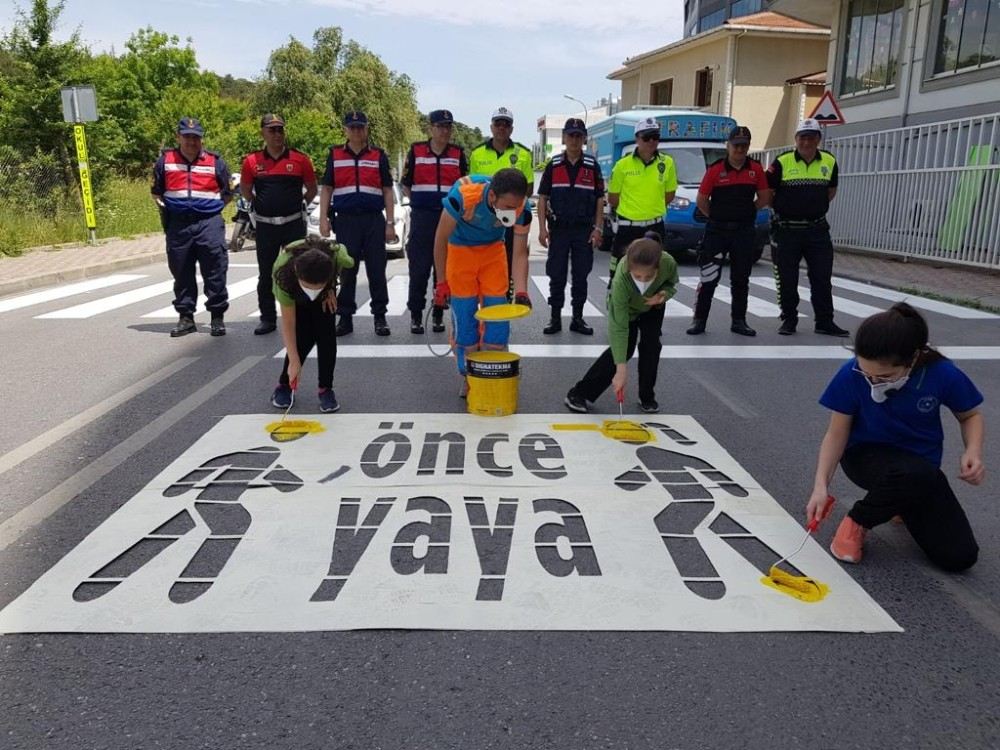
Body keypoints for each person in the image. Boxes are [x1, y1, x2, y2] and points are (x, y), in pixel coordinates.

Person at [807, 302, 984, 570]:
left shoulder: (941, 373)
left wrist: (972, 450)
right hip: (865, 457)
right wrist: (821, 486)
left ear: (912, 359)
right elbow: (836, 434)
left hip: (920, 468)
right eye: (867, 374)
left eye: (885, 376)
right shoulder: (850, 374)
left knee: (959, 557)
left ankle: (897, 502)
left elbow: (969, 415)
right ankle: (856, 522)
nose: (874, 381)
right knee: (914, 473)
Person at [432, 169, 532, 392]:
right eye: (507, 207)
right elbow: (440, 239)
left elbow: (519, 253)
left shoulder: (522, 209)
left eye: (515, 207)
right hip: (460, 251)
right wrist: (441, 282)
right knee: (465, 317)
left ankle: (494, 374)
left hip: (493, 253)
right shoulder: (463, 197)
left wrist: (522, 293)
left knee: (498, 316)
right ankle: (468, 378)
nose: (512, 212)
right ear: (492, 196)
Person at [565, 233, 678, 414]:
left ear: (658, 267)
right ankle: (579, 393)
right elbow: (619, 329)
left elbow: (672, 283)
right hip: (627, 308)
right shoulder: (621, 280)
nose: (642, 281)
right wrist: (621, 370)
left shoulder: (668, 263)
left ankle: (647, 396)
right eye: (637, 276)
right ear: (630, 269)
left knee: (652, 346)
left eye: (648, 276)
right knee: (623, 350)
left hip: (654, 305)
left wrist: (663, 295)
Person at [767, 118, 848, 337]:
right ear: (796, 139)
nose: (806, 142)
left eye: (811, 137)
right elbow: (768, 193)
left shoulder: (829, 161)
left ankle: (824, 321)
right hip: (787, 230)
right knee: (787, 277)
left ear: (818, 139)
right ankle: (789, 319)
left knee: (822, 277)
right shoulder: (782, 162)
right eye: (803, 137)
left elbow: (831, 191)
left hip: (817, 230)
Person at [687, 126, 771, 337]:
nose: (739, 149)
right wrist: (717, 216)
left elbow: (764, 197)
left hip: (743, 232)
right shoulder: (715, 169)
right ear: (728, 145)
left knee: (741, 278)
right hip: (717, 232)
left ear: (748, 146)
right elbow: (702, 200)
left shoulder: (756, 169)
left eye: (744, 145)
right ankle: (699, 320)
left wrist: (747, 211)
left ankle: (739, 321)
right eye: (736, 145)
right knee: (709, 277)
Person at [318, 111, 397, 337]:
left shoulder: (378, 155)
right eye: (352, 128)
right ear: (345, 130)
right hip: (346, 221)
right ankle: (345, 318)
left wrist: (390, 223)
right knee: (347, 270)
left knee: (376, 270)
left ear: (366, 128)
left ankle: (380, 317)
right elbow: (327, 189)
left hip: (373, 220)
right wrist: (323, 218)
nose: (356, 131)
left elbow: (387, 190)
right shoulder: (335, 155)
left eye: (360, 127)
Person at [151, 117, 232, 337]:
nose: (191, 141)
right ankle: (186, 318)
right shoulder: (165, 162)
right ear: (178, 137)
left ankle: (217, 317)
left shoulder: (216, 162)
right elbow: (156, 191)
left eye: (195, 137)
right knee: (181, 270)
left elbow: (227, 192)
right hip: (178, 224)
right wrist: (168, 210)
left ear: (201, 139)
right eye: (187, 136)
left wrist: (211, 210)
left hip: (209, 223)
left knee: (215, 269)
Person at [240, 113, 318, 336]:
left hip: (293, 224)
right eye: (272, 130)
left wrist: (298, 204)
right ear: (262, 133)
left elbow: (311, 189)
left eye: (280, 129)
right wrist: (260, 205)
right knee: (266, 273)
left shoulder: (300, 159)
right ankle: (267, 318)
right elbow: (245, 190)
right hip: (266, 226)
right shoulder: (252, 161)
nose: (277, 134)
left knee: (298, 271)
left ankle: (301, 315)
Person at [400, 109, 468, 334]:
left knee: (445, 270)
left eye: (448, 126)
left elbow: (465, 185)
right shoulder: (417, 150)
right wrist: (420, 202)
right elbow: (406, 183)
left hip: (449, 218)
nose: (445, 131)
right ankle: (416, 316)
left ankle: (438, 314)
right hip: (423, 218)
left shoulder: (458, 153)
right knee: (419, 269)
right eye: (440, 126)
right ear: (431, 128)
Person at [269, 237, 355, 414]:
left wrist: (330, 287)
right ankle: (284, 385)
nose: (312, 293)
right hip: (295, 296)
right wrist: (294, 361)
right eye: (309, 288)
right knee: (302, 337)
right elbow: (288, 322)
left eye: (317, 288)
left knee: (327, 339)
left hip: (326, 294)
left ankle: (326, 388)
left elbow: (345, 267)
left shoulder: (337, 255)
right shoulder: (282, 273)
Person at [536, 117, 605, 336]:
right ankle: (555, 318)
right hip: (559, 229)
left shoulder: (592, 166)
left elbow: (599, 200)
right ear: (564, 138)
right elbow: (543, 198)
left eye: (578, 135)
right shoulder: (554, 165)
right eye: (571, 135)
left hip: (583, 230)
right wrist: (542, 229)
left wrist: (598, 229)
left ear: (584, 139)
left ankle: (577, 318)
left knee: (581, 275)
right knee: (556, 274)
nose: (574, 139)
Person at [468, 107, 535, 297]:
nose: (502, 128)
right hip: (485, 216)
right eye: (498, 124)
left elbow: (528, 188)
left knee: (509, 256)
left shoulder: (523, 154)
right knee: (484, 257)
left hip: (511, 215)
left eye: (506, 124)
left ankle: (505, 293)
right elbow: (473, 186)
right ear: (491, 127)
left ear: (511, 129)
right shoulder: (477, 154)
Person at [607, 117, 677, 279]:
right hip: (628, 227)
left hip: (654, 227)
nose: (651, 141)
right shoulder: (622, 165)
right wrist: (633, 211)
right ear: (637, 138)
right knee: (619, 273)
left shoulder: (667, 163)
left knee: (656, 274)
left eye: (655, 136)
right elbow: (613, 198)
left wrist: (650, 208)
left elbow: (669, 194)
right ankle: (617, 301)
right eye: (646, 137)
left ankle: (654, 304)